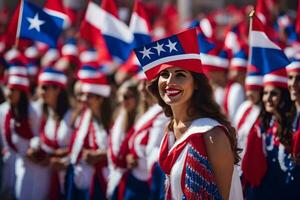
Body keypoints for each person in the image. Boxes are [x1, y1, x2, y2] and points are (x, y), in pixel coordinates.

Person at [135, 28, 242, 199]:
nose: (170, 82)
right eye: (164, 74)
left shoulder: (212, 134)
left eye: (180, 75)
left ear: (196, 84)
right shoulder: (170, 130)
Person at [242, 67, 300, 199]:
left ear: (283, 96)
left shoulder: (292, 124)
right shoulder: (263, 125)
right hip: (265, 192)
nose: (267, 98)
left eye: (273, 94)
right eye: (265, 93)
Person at [28, 67, 73, 199]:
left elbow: (78, 147)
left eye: (45, 88)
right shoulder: (46, 113)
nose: (41, 91)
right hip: (49, 177)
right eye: (40, 87)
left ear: (58, 89)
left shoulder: (72, 116)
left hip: (68, 178)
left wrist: (64, 162)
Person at [66, 72, 112, 200]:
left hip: (101, 181)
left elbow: (120, 151)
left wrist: (100, 155)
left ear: (101, 99)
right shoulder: (83, 117)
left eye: (89, 96)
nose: (84, 99)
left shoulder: (112, 122)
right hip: (78, 177)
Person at [107, 80, 140, 199]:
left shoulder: (140, 120)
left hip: (133, 178)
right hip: (116, 173)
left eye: (126, 97)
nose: (122, 100)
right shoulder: (118, 116)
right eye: (119, 96)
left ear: (136, 98)